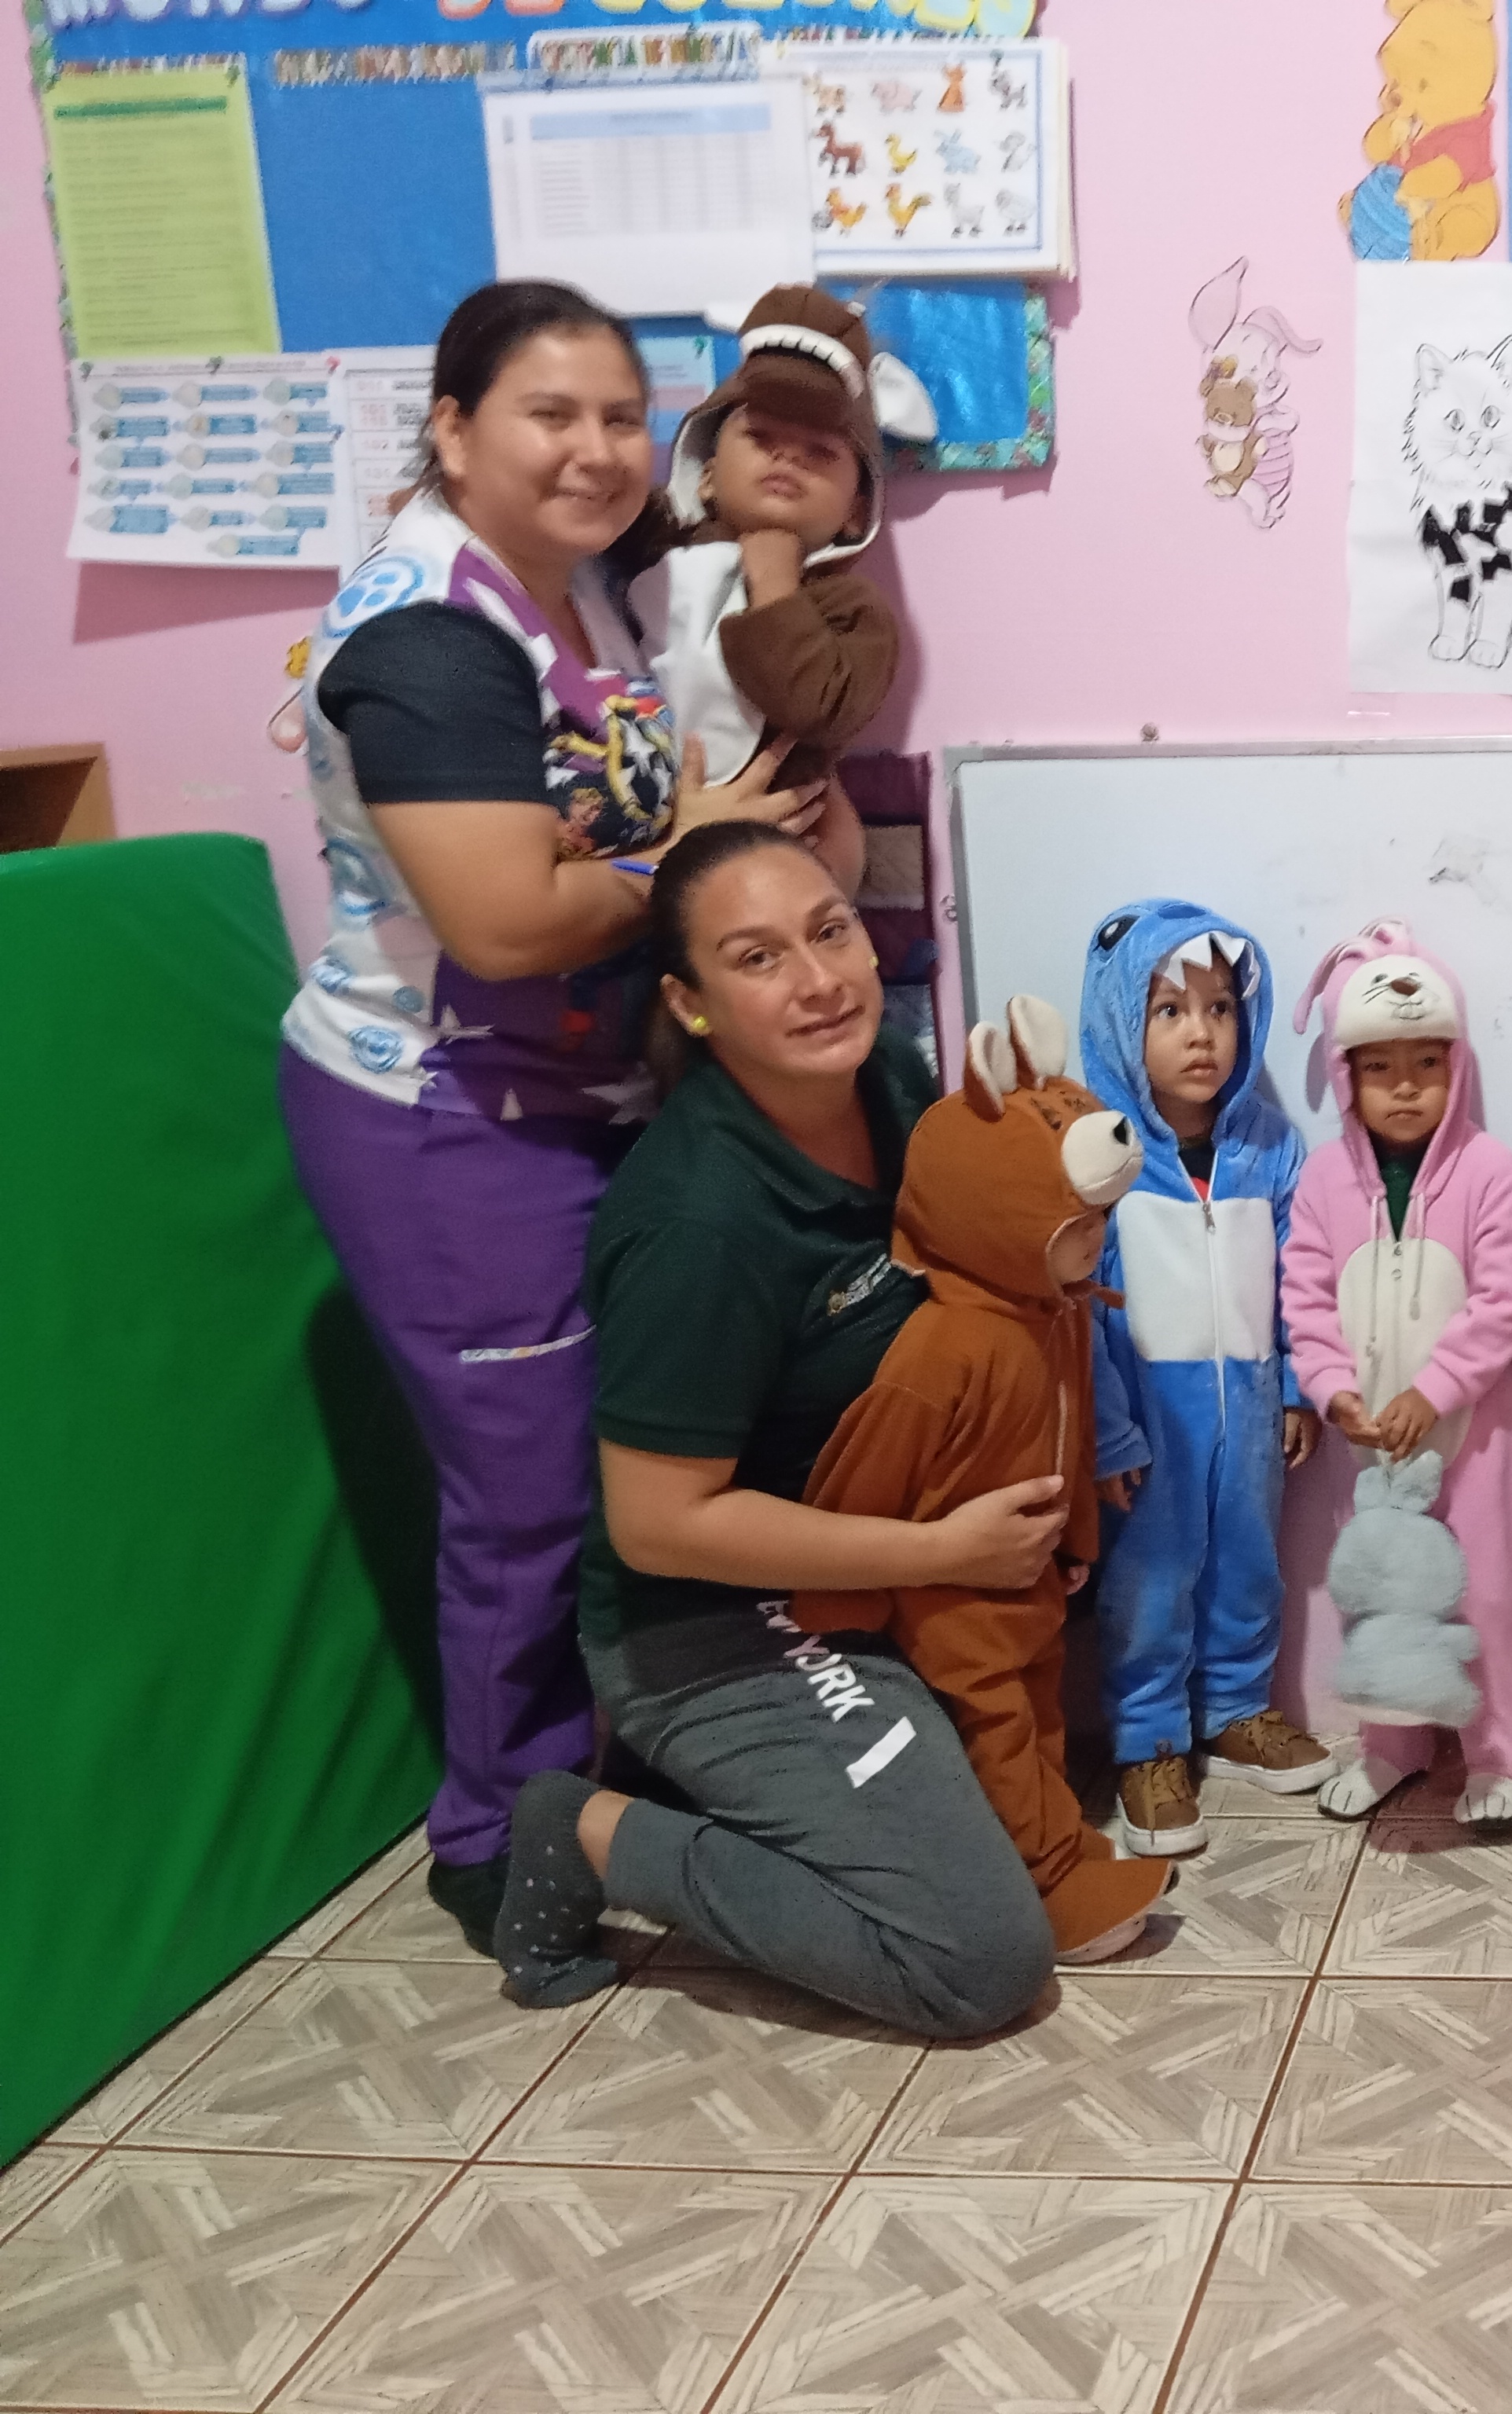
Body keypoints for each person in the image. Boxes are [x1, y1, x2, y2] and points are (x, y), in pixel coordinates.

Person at [277, 279, 840, 1957]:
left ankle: (620, 1774)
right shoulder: (426, 638)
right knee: (529, 1499)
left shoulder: (578, 583)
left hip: (589, 1093)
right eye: (550, 414)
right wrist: (700, 853)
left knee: (647, 1452)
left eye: (620, 417)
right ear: (454, 430)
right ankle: (494, 1843)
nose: (596, 450)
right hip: (445, 1118)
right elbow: (508, 920)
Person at [494, 824, 1075, 2029]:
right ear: (690, 1003)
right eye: (757, 958)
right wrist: (943, 1554)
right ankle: (589, 1831)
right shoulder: (700, 1227)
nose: (819, 981)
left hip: (871, 1561)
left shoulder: (894, 1082)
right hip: (717, 1624)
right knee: (979, 1959)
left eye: (830, 931)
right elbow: (660, 1527)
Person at [784, 1000, 1173, 1965]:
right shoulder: (946, 1348)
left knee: (1040, 1715)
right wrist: (840, 1604)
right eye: (1077, 1225)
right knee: (996, 1728)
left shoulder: (1055, 1314)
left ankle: (1057, 1849)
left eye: (1101, 1222)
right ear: (1002, 1221)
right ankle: (1046, 1886)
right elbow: (864, 1474)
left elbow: (1066, 1439)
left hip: (1027, 1578)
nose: (1097, 1242)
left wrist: (1075, 1543)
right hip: (952, 1596)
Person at [1078, 903, 1332, 1856]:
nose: (1201, 1034)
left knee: (1248, 1564)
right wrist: (1108, 1435)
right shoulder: (1100, 1154)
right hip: (1150, 1427)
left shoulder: (1268, 1147)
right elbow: (1077, 1310)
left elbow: (1302, 1275)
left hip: (1252, 1410)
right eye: (1171, 1011)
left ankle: (1235, 1708)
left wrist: (1298, 1384)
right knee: (1148, 1581)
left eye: (1221, 1008)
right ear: (1122, 1022)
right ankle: (1150, 1741)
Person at [1281, 925, 1512, 1830]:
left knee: (1487, 1596)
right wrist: (1333, 1390)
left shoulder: (1491, 1173)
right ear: (1346, 1073)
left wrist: (1431, 1394)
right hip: (1373, 1445)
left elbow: (1503, 1303)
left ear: (1456, 1065)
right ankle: (1392, 1747)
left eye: (1426, 1062)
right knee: (1380, 1592)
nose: (1404, 1085)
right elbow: (1305, 1301)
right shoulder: (1324, 1181)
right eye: (1379, 1066)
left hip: (1479, 1440)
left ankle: (1500, 1756)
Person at [639, 284, 920, 799]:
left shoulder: (851, 608)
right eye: (761, 437)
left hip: (766, 825)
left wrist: (776, 588)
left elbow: (820, 711)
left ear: (857, 511)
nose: (787, 458)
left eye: (820, 452)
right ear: (706, 475)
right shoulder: (647, 549)